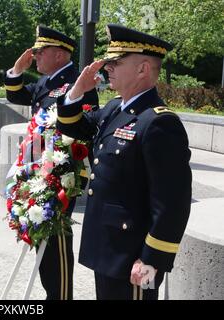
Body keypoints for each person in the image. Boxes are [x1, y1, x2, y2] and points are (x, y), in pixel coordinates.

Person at [56, 24, 192, 300]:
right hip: (107, 249)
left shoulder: (159, 122)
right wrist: (77, 90)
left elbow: (172, 203)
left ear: (142, 69)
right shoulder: (114, 109)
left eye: (116, 62)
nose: (107, 68)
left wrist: (151, 260)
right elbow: (72, 126)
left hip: (133, 258)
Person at [4, 25, 99, 300]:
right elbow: (17, 94)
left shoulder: (75, 82)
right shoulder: (47, 82)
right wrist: (17, 71)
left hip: (60, 174)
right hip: (39, 171)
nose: (35, 56)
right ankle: (52, 294)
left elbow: (81, 130)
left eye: (40, 51)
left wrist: (59, 174)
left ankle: (61, 296)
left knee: (55, 242)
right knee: (42, 239)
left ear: (59, 54)